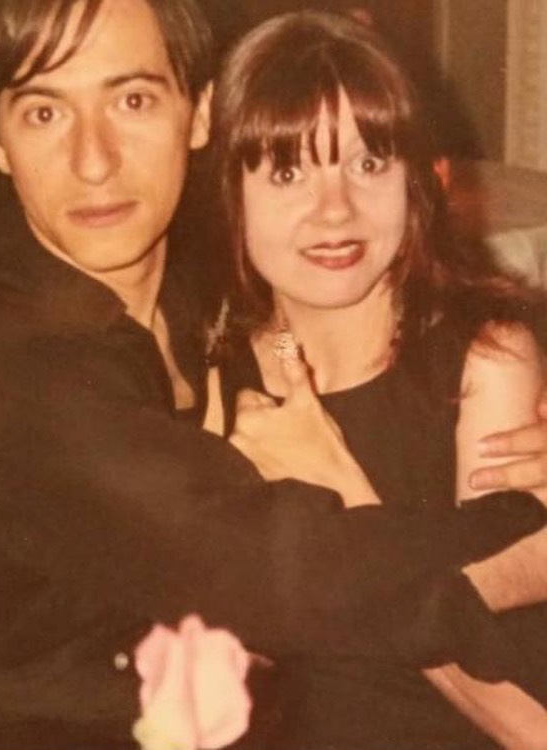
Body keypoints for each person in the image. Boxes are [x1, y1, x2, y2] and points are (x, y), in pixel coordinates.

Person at [0, 1, 547, 748]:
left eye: (132, 100)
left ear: (198, 116)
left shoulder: (204, 300)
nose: (93, 161)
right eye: (45, 113)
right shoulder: (16, 376)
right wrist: (535, 546)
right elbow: (286, 579)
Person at [207, 10, 547, 749]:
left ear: (418, 181)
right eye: (288, 172)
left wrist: (338, 488)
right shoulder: (218, 371)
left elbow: (520, 712)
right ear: (232, 194)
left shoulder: (484, 360)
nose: (335, 210)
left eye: (368, 164)